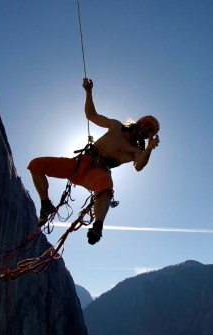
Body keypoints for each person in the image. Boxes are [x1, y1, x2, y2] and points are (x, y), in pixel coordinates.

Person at [27, 78, 160, 245]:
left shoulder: (137, 151)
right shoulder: (116, 126)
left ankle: (97, 226)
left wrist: (148, 149)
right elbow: (92, 115)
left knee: (105, 185)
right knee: (36, 165)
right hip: (79, 164)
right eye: (146, 125)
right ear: (139, 122)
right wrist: (89, 92)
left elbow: (139, 166)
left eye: (150, 131)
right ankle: (45, 203)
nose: (146, 130)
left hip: (96, 174)